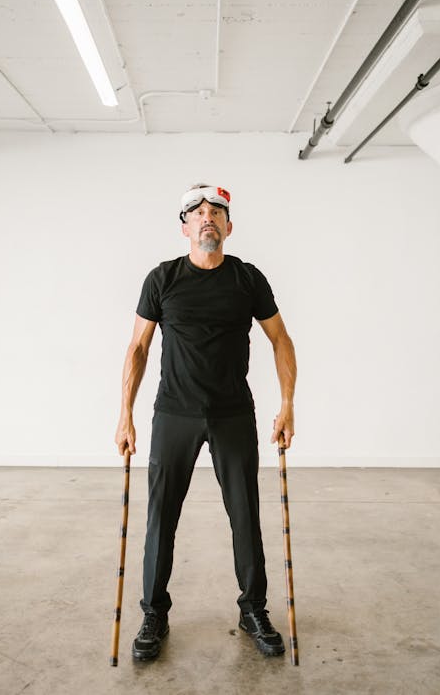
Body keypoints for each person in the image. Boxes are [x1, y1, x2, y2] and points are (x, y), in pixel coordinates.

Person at [115, 183, 297, 661]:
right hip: (174, 411)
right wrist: (125, 417)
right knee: (161, 518)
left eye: (216, 211)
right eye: (196, 211)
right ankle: (154, 612)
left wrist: (288, 404)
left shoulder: (247, 280)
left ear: (229, 226)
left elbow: (281, 339)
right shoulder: (163, 279)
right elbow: (137, 348)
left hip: (233, 413)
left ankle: (253, 608)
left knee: (245, 515)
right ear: (185, 228)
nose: (206, 216)